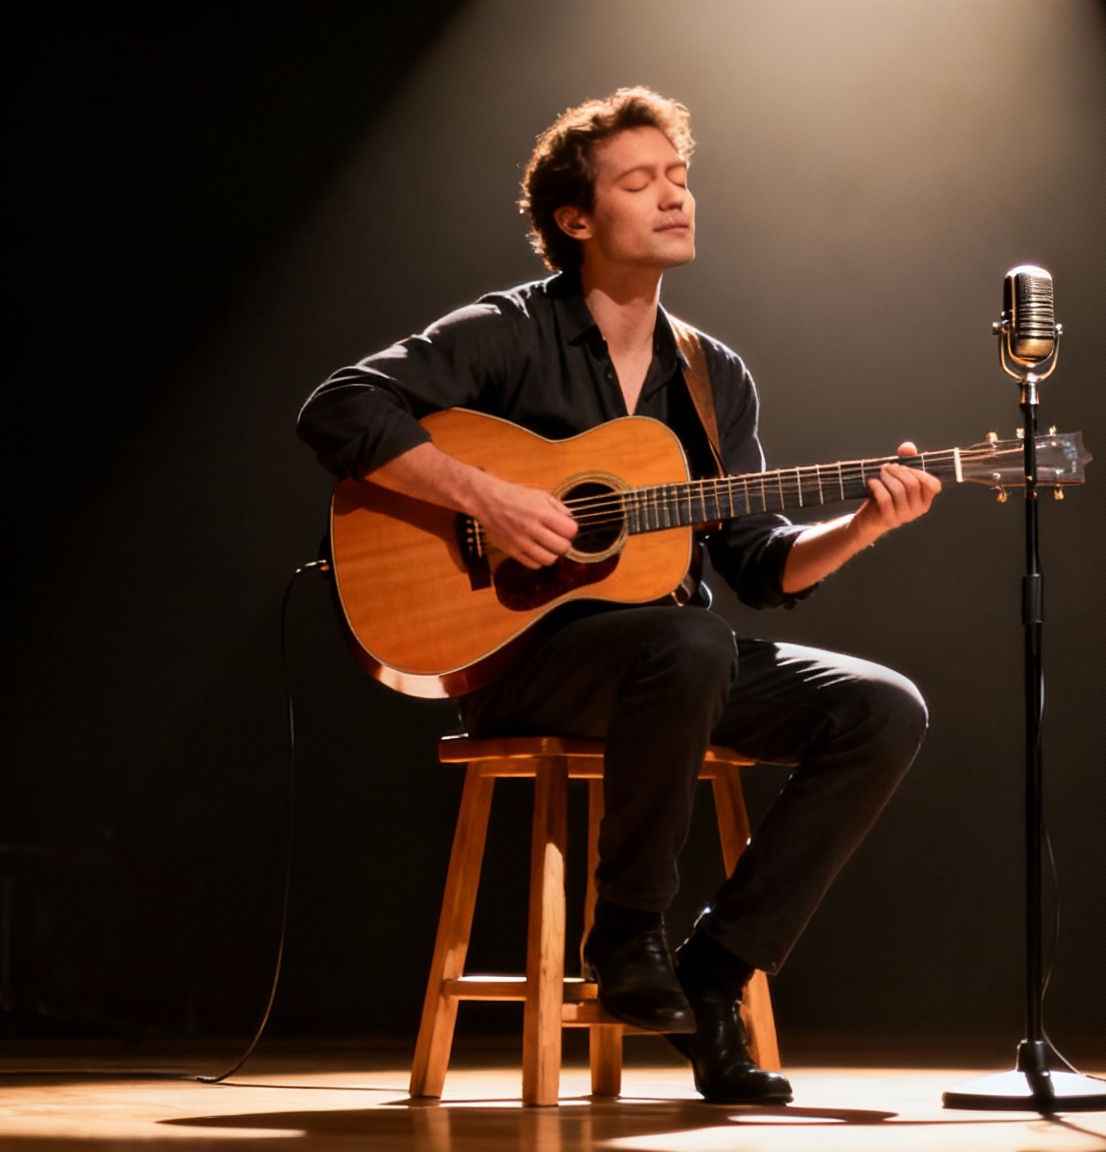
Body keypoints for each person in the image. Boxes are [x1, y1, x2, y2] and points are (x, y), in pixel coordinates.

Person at [296, 85, 940, 1104]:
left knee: (880, 707)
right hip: (523, 661)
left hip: (678, 668)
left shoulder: (710, 375)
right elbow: (339, 408)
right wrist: (488, 499)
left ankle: (712, 974)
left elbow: (759, 565)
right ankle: (626, 932)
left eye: (679, 176)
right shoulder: (510, 331)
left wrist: (860, 527)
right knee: (687, 644)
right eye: (640, 182)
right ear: (576, 219)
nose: (674, 197)